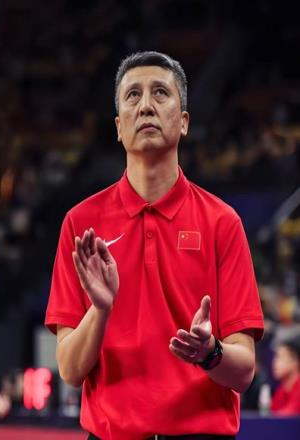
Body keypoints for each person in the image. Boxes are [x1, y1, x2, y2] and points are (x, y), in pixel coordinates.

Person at [45, 51, 264, 440]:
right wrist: (100, 309)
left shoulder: (223, 222)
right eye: (133, 95)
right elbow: (70, 370)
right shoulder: (81, 225)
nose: (145, 105)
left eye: (160, 93)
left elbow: (244, 371)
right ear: (118, 127)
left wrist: (210, 353)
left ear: (184, 122)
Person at [270, 333, 300, 415]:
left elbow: (287, 416)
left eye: (280, 357)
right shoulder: (281, 390)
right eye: (275, 357)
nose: (275, 363)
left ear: (295, 362)